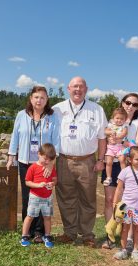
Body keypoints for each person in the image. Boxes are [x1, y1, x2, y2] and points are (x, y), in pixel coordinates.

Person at [53, 76, 107, 248]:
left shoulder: (96, 109)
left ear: (86, 89)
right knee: (66, 198)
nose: (78, 89)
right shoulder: (57, 109)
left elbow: (102, 138)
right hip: (63, 160)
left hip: (87, 161)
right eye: (74, 86)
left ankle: (87, 235)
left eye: (81, 86)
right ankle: (69, 233)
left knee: (88, 198)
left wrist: (100, 160)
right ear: (68, 88)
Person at [7, 86, 60, 244]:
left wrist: (51, 164)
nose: (39, 100)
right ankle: (27, 231)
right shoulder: (21, 115)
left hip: (44, 164)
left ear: (47, 100)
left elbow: (56, 140)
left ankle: (39, 232)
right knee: (27, 197)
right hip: (25, 163)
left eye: (43, 98)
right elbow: (15, 137)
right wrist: (11, 157)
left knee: (43, 197)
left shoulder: (52, 117)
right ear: (31, 99)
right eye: (36, 97)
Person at [101, 93, 138, 249]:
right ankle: (110, 235)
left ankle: (128, 238)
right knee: (109, 200)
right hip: (111, 163)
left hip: (129, 165)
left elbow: (137, 146)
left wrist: (121, 140)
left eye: (135, 104)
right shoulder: (112, 121)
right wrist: (112, 137)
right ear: (122, 103)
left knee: (130, 202)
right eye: (128, 102)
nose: (130, 106)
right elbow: (104, 133)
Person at [20, 143, 58, 248]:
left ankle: (47, 235)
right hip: (35, 197)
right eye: (45, 159)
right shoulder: (33, 167)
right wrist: (37, 185)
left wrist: (52, 184)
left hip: (48, 197)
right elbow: (27, 182)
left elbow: (55, 179)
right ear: (39, 154)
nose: (47, 162)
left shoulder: (51, 168)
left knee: (47, 217)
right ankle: (24, 235)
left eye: (49, 160)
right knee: (30, 216)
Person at [103, 107, 128, 186]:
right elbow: (105, 131)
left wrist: (116, 137)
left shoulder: (124, 126)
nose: (119, 120)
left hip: (120, 147)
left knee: (122, 160)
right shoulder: (110, 125)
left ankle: (123, 177)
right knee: (109, 162)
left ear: (125, 120)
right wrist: (111, 131)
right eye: (117, 118)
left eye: (122, 119)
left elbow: (123, 134)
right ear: (113, 118)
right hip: (111, 147)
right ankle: (108, 177)